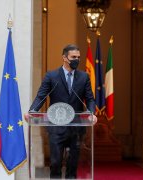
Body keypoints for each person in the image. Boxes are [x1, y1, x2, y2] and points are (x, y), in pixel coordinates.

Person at [26, 44, 95, 179]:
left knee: (72, 164)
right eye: (73, 57)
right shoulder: (51, 76)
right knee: (56, 162)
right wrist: (32, 111)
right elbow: (41, 96)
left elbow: (90, 99)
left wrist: (91, 113)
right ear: (64, 58)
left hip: (76, 128)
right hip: (56, 127)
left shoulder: (83, 77)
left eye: (78, 57)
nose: (77, 60)